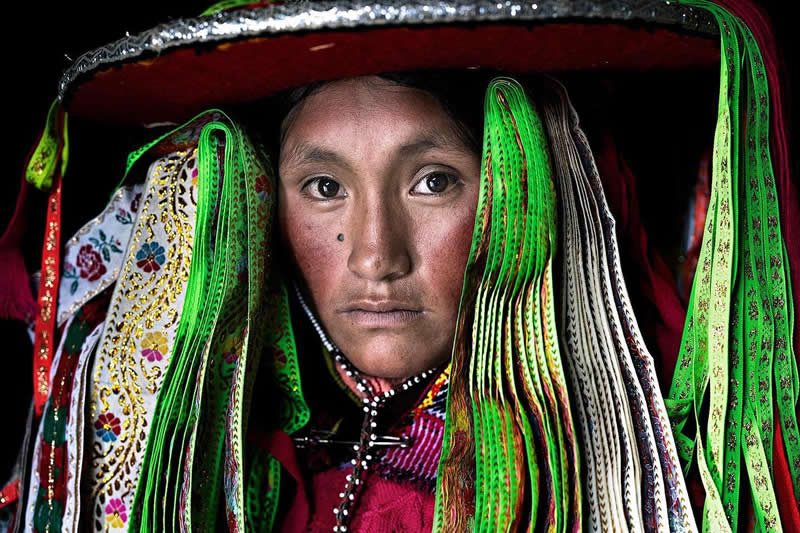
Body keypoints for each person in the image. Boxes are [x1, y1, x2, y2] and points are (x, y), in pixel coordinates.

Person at [1, 1, 798, 532]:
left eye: (432, 181)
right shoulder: (221, 486)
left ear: (515, 193)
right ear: (256, 202)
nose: (377, 255)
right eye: (323, 187)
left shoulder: (641, 487)